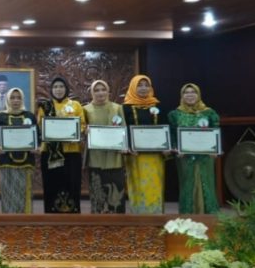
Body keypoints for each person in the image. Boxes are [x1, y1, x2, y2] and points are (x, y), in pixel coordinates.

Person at [169, 83, 220, 214]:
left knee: (206, 184)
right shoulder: (175, 114)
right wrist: (176, 149)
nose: (190, 95)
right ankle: (187, 218)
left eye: (193, 92)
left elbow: (215, 131)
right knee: (187, 186)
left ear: (198, 95)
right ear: (182, 95)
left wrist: (215, 149)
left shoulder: (209, 113)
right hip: (184, 158)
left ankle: (210, 219)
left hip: (205, 157)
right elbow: (172, 135)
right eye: (186, 92)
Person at [38, 76, 85, 213]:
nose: (58, 90)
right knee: (52, 185)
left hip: (71, 153)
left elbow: (82, 125)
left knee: (71, 185)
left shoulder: (75, 105)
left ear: (66, 89)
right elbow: (40, 127)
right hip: (50, 154)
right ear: (51, 90)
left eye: (61, 87)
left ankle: (72, 217)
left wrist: (74, 133)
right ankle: (51, 217)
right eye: (55, 87)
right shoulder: (45, 106)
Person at [122, 74, 166, 214]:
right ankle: (138, 215)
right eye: (139, 85)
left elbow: (165, 127)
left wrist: (166, 147)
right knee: (137, 184)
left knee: (154, 184)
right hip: (135, 155)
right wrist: (128, 147)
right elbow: (123, 129)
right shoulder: (126, 108)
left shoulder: (158, 106)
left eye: (146, 85)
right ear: (133, 87)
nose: (143, 88)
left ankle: (155, 214)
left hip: (155, 156)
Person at [82, 80, 127, 213]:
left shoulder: (117, 108)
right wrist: (85, 130)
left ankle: (118, 227)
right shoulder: (86, 109)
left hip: (115, 158)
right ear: (92, 92)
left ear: (108, 91)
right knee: (97, 196)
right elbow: (82, 128)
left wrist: (124, 146)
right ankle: (98, 226)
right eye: (96, 90)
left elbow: (123, 129)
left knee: (116, 195)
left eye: (103, 89)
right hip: (96, 158)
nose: (100, 92)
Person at [0, 87, 37, 214]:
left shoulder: (30, 116)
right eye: (12, 97)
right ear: (7, 99)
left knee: (24, 193)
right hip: (6, 162)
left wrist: (37, 147)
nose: (15, 100)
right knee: (8, 195)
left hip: (26, 162)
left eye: (18, 97)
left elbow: (37, 136)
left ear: (22, 99)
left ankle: (25, 225)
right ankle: (9, 226)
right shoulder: (1, 117)